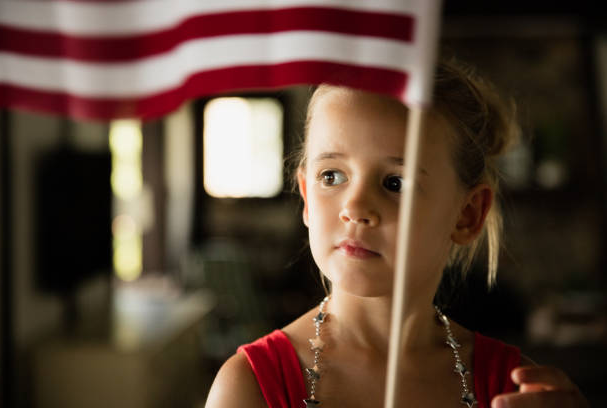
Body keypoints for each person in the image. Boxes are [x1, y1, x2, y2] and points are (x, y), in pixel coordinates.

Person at [204, 58, 589, 408]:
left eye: (395, 183)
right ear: (306, 197)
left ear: (467, 215)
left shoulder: (513, 389)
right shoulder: (250, 386)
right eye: (332, 176)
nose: (354, 208)